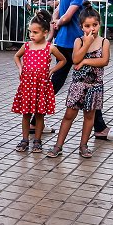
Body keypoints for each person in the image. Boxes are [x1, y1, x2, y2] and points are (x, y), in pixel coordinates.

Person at [50, 0, 113, 143]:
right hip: (76, 43)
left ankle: (34, 120)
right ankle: (100, 128)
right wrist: (60, 22)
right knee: (90, 84)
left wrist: (55, 24)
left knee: (57, 84)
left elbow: (59, 7)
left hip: (64, 41)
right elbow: (67, 14)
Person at [47, 7, 110, 159]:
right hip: (78, 85)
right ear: (81, 27)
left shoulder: (104, 42)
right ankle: (58, 145)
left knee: (90, 117)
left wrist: (86, 61)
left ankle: (83, 145)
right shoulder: (79, 41)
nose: (91, 29)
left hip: (95, 86)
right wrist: (87, 44)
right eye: (87, 26)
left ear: (99, 25)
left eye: (94, 25)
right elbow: (75, 59)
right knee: (69, 115)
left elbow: (104, 61)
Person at [11, 10, 66, 154]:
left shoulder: (50, 48)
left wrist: (52, 70)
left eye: (35, 32)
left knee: (40, 114)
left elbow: (63, 60)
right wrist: (20, 69)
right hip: (27, 85)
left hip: (41, 86)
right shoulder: (27, 46)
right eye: (30, 32)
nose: (31, 35)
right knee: (26, 114)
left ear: (45, 32)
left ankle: (37, 140)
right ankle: (24, 140)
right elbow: (17, 57)